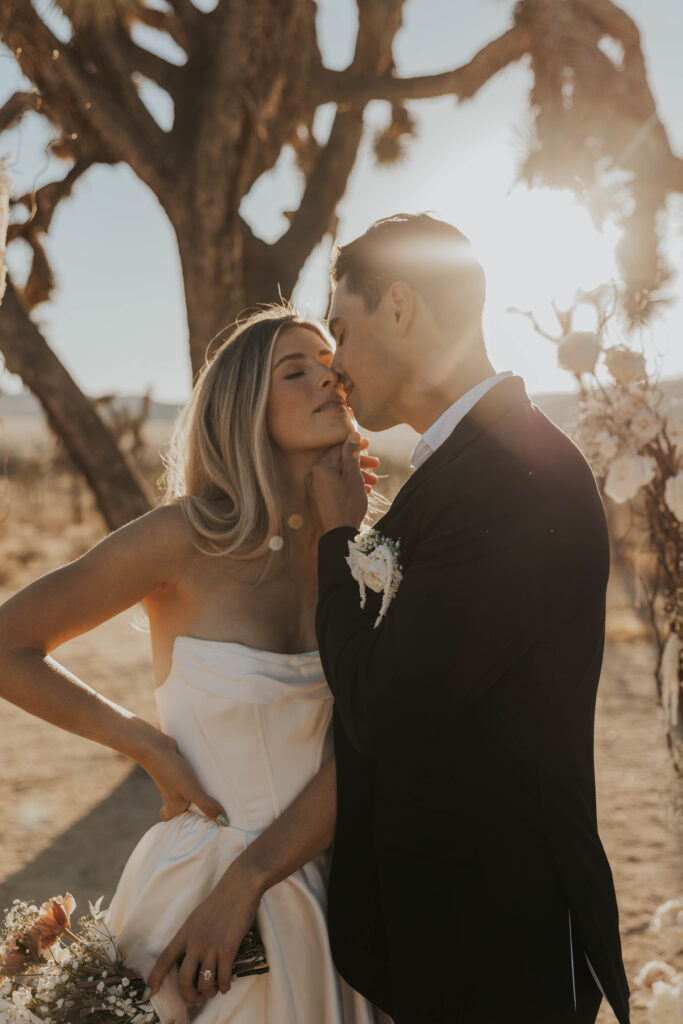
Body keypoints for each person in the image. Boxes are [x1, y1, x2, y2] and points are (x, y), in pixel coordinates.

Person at [0, 305, 391, 1024]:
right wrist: (143, 743)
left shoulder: (368, 554)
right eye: (294, 369)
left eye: (330, 362)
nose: (327, 379)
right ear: (241, 404)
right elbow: (8, 645)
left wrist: (346, 533)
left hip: (344, 892)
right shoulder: (182, 537)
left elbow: (376, 737)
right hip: (194, 886)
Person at [305, 212, 632, 1024]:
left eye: (340, 330)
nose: (335, 366)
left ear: (401, 308)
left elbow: (381, 706)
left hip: (498, 938)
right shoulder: (465, 465)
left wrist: (335, 542)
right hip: (447, 928)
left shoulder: (513, 476)